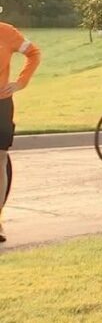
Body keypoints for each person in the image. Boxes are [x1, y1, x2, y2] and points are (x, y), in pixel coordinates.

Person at [0, 15, 41, 243]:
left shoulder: (7, 32)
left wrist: (20, 82)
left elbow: (33, 53)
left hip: (1, 103)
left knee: (0, 159)